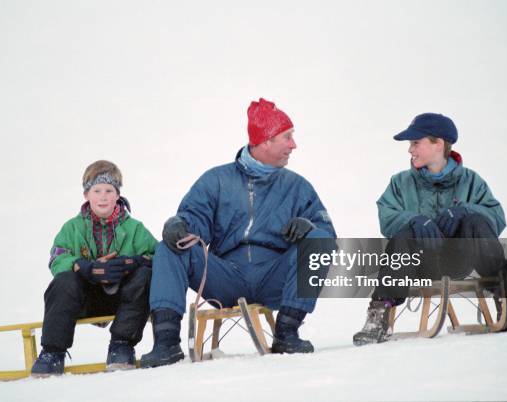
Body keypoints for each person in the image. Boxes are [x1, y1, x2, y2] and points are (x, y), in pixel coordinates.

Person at [140, 98, 337, 368]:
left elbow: (327, 234)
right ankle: (166, 343)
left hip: (274, 276)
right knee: (170, 247)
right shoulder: (217, 180)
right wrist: (179, 225)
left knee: (320, 242)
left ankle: (288, 332)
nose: (294, 145)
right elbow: (193, 220)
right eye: (287, 137)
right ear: (265, 140)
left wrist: (310, 227)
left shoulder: (297, 186)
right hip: (225, 277)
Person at [353, 113, 507, 346]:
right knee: (403, 234)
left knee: (476, 222)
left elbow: (496, 217)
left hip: (458, 259)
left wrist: (466, 210)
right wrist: (413, 219)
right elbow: (386, 217)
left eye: (415, 143)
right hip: (419, 263)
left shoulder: (471, 181)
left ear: (438, 144)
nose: (410, 150)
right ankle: (378, 315)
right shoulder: (400, 182)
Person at [31, 160, 157, 377]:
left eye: (109, 190)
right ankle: (52, 353)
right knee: (63, 282)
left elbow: (156, 256)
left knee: (145, 276)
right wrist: (81, 266)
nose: (103, 196)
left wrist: (132, 263)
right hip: (86, 298)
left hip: (122, 300)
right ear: (86, 195)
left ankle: (121, 346)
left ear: (117, 195)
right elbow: (56, 258)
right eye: (97, 190)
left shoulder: (135, 228)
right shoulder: (72, 228)